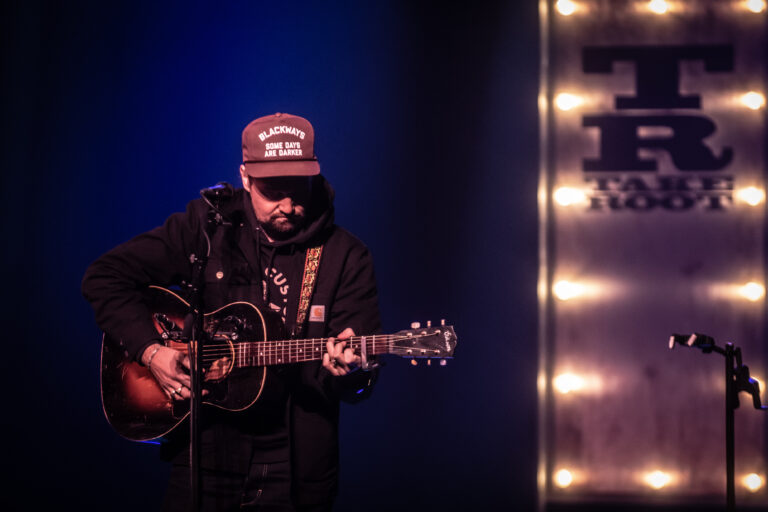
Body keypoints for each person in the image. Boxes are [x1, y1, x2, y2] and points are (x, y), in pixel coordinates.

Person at [82, 112, 381, 511]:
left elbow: (356, 381)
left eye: (299, 189)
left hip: (296, 470)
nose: (289, 206)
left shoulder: (347, 256)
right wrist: (152, 351)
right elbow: (104, 277)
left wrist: (353, 370)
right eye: (273, 191)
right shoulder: (206, 227)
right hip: (205, 458)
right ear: (245, 178)